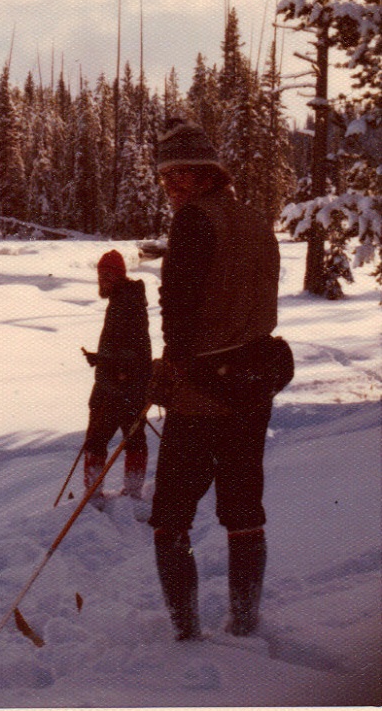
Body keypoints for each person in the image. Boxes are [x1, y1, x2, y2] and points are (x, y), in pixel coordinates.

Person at [148, 118, 281, 641]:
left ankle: (186, 634)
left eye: (181, 174)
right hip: (254, 381)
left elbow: (177, 304)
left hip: (204, 388)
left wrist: (172, 364)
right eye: (166, 177)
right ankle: (244, 622)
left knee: (170, 515)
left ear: (207, 174)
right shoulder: (254, 219)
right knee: (244, 508)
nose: (171, 186)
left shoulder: (193, 220)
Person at [81, 249, 152, 501]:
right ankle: (131, 494)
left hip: (118, 386)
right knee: (133, 438)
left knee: (98, 440)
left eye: (108, 276)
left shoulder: (126, 302)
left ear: (119, 276)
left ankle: (94, 496)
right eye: (101, 276)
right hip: (128, 384)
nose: (103, 281)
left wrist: (108, 363)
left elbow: (133, 348)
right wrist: (100, 358)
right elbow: (125, 346)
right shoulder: (124, 298)